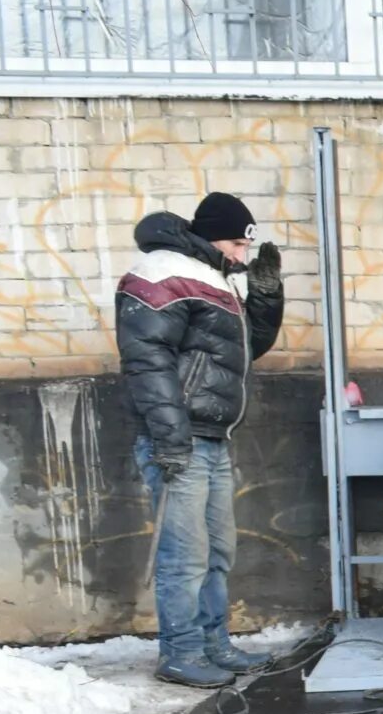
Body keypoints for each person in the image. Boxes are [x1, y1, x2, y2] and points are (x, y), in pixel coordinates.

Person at [115, 192, 285, 688]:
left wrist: (266, 292)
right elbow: (147, 358)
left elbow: (245, 349)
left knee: (216, 551)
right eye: (236, 243)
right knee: (184, 556)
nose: (241, 256)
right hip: (180, 440)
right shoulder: (162, 272)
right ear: (211, 235)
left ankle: (214, 644)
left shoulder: (215, 279)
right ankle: (181, 651)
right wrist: (169, 436)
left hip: (211, 438)